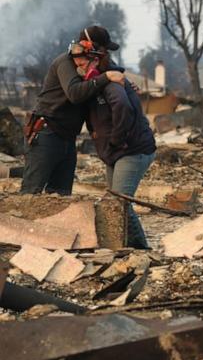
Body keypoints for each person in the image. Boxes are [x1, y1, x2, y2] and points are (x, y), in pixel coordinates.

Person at [20, 26, 125, 195]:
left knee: (61, 195)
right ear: (93, 47)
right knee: (31, 193)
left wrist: (120, 78)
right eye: (104, 50)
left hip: (67, 137)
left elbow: (115, 70)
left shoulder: (95, 63)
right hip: (47, 132)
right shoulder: (66, 63)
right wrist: (106, 77)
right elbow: (75, 93)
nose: (106, 54)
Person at [77, 30, 156, 249]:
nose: (79, 65)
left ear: (95, 56)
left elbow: (122, 107)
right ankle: (124, 247)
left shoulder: (112, 82)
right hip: (118, 152)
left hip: (131, 150)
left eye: (83, 61)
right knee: (113, 202)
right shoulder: (99, 80)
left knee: (120, 204)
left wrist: (115, 141)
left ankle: (141, 249)